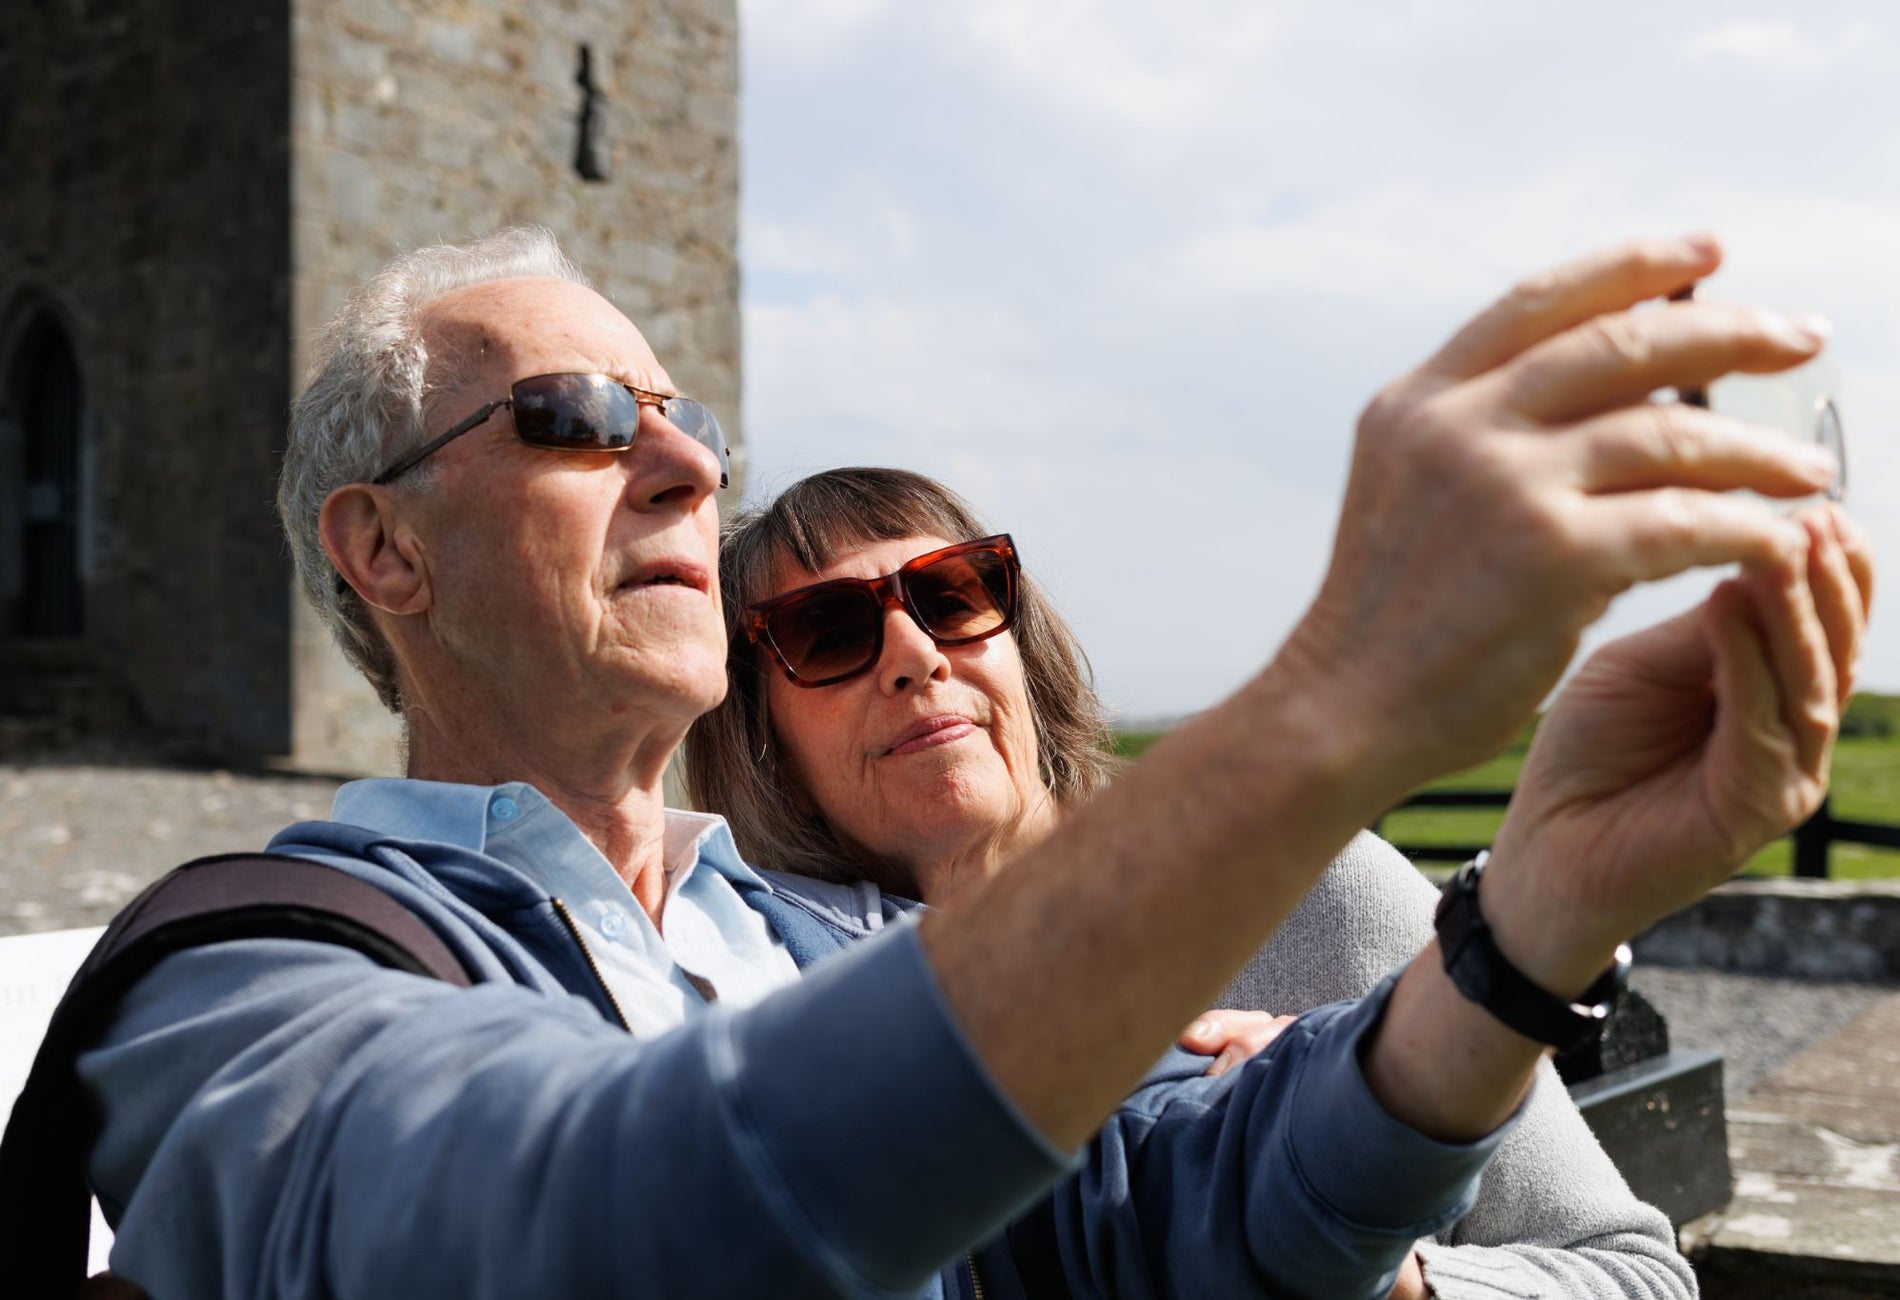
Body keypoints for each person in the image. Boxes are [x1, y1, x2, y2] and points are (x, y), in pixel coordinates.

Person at [75, 225, 1866, 1299]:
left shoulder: (786, 949)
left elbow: (1172, 1220)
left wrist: (1525, 923)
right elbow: (607, 1214)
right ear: (386, 556)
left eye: (688, 424)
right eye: (582, 423)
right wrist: (1331, 711)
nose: (691, 471)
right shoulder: (241, 976)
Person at [693, 463, 1872, 1297]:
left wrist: (1360, 1245)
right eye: (831, 630)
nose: (911, 654)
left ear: (1017, 633)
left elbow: (1634, 1273)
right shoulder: (784, 995)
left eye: (953, 595)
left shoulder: (1316, 899)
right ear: (759, 729)